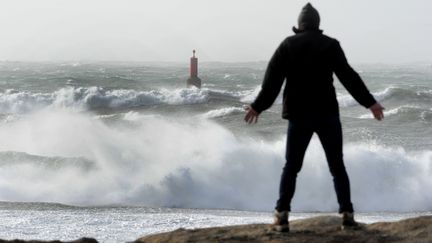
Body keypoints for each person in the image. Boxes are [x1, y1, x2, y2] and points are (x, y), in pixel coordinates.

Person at [244, 3, 384, 232]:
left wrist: (258, 107)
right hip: (327, 114)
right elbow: (349, 76)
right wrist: (370, 103)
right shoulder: (330, 44)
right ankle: (347, 216)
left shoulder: (288, 45)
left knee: (291, 167)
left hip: (298, 115)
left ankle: (281, 216)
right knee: (337, 166)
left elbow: (272, 81)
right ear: (318, 24)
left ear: (299, 25)